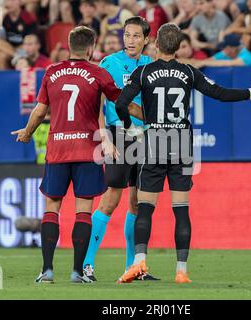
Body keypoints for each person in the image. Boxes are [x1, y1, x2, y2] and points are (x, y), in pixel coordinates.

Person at [115, 23, 251, 283]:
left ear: (155, 45)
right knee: (181, 209)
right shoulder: (189, 72)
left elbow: (121, 103)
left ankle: (139, 262)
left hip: (155, 139)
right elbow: (220, 93)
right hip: (181, 140)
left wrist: (130, 127)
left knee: (145, 207)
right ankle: (181, 270)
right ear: (180, 47)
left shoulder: (143, 71)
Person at [11, 26, 122, 284]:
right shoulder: (97, 73)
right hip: (86, 150)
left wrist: (27, 133)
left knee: (52, 207)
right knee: (83, 210)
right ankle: (77, 271)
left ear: (69, 46)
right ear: (91, 47)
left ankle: (47, 270)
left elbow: (39, 112)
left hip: (58, 150)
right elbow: (120, 100)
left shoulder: (51, 71)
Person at [82, 16, 160, 281]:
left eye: (137, 36)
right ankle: (86, 264)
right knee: (112, 197)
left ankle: (132, 268)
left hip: (145, 136)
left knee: (138, 202)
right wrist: (104, 136)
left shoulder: (151, 66)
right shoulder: (109, 63)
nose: (130, 40)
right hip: (119, 135)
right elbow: (97, 104)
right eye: (127, 35)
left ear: (147, 40)